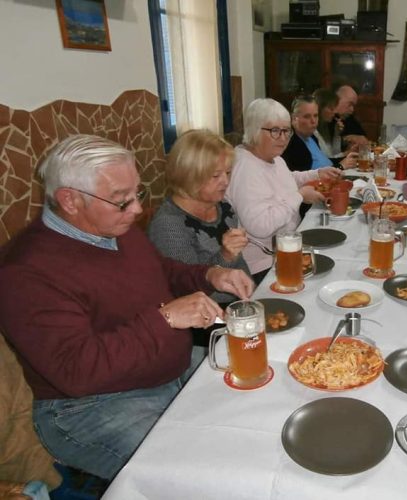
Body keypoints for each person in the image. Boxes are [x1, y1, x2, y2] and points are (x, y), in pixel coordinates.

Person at [0, 135, 254, 480]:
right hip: (90, 406)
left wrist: (210, 273)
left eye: (138, 194)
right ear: (70, 200)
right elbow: (77, 370)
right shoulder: (26, 272)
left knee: (255, 401)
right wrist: (165, 319)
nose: (136, 210)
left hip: (166, 367)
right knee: (204, 472)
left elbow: (159, 271)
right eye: (122, 201)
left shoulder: (113, 227)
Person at [227, 98, 342, 282]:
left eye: (286, 131)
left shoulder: (272, 157)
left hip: (288, 246)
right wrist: (299, 196)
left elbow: (287, 179)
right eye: (274, 131)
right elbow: (260, 226)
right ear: (254, 129)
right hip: (263, 265)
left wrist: (317, 174)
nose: (283, 138)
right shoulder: (245, 168)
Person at [147, 129, 250, 305]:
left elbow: (239, 263)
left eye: (228, 172)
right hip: (206, 317)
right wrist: (225, 255)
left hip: (241, 301)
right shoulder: (168, 225)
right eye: (216, 175)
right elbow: (187, 289)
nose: (225, 182)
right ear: (188, 175)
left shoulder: (223, 207)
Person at [281, 95, 357, 172]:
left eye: (315, 116)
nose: (313, 121)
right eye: (307, 117)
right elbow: (306, 177)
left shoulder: (311, 137)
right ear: (294, 118)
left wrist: (346, 158)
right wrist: (340, 166)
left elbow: (325, 162)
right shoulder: (292, 143)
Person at [313, 88, 343, 158]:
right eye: (331, 108)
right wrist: (345, 153)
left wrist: (337, 134)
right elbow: (327, 160)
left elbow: (335, 153)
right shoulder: (313, 131)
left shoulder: (326, 127)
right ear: (319, 108)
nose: (335, 112)